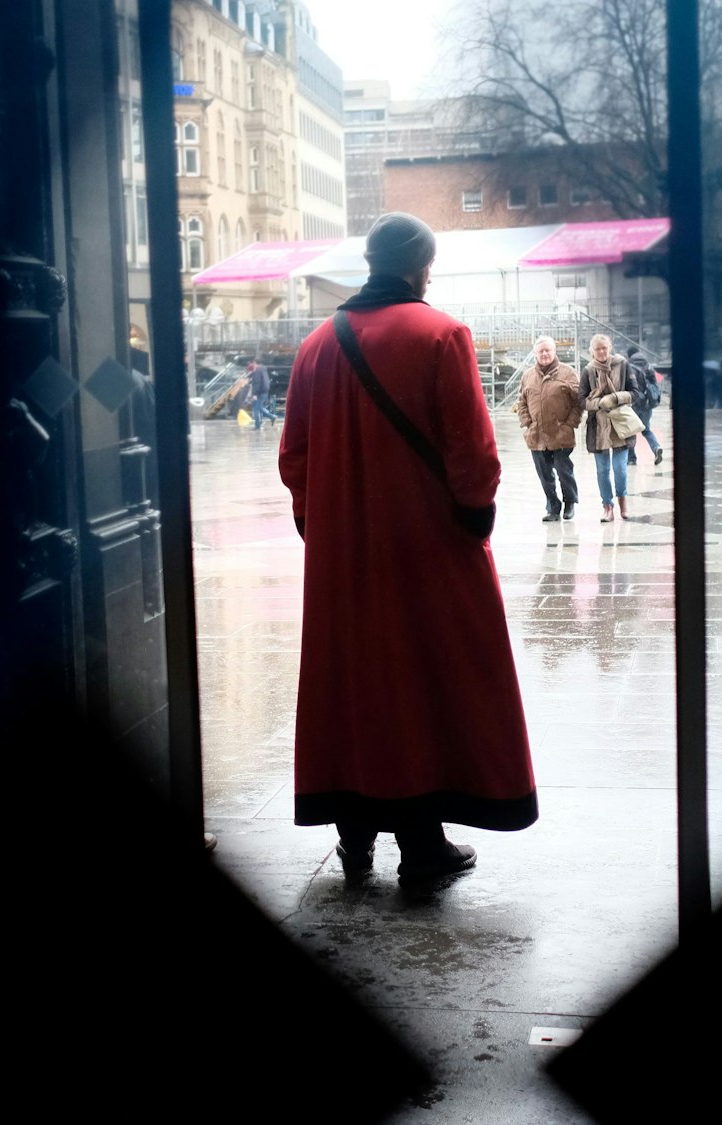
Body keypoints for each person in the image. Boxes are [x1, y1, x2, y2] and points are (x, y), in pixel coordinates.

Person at [278, 212, 537, 883]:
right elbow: (473, 451)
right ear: (422, 264)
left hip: (341, 553)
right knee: (427, 679)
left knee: (351, 680)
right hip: (424, 546)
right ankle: (422, 845)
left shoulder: (314, 346)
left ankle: (354, 837)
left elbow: (294, 458)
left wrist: (322, 525)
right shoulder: (442, 334)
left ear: (369, 263)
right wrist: (473, 521)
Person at [515, 336, 583, 521]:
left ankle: (570, 502)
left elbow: (578, 402)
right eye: (541, 351)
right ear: (535, 353)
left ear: (554, 351)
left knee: (563, 471)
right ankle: (553, 507)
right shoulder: (528, 375)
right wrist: (527, 423)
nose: (544, 354)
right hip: (536, 435)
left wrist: (570, 424)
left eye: (548, 350)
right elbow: (521, 401)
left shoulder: (568, 373)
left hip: (561, 434)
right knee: (544, 475)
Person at [580, 334, 637, 522]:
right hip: (598, 427)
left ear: (609, 347)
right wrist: (599, 403)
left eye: (604, 347)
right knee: (602, 470)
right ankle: (607, 506)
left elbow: (635, 392)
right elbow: (581, 400)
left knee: (620, 468)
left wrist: (615, 398)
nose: (602, 351)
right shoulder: (588, 371)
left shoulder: (622, 364)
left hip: (620, 423)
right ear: (592, 351)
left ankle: (623, 502)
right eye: (598, 349)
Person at [623, 346, 664, 467]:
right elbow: (654, 383)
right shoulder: (649, 365)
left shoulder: (629, 366)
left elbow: (628, 385)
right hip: (647, 403)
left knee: (631, 431)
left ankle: (631, 459)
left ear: (629, 355)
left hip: (634, 402)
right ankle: (656, 448)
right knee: (646, 430)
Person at [246, 357, 278, 429]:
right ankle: (259, 424)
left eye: (253, 363)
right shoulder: (263, 369)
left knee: (257, 408)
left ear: (255, 363)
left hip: (259, 392)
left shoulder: (258, 371)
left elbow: (257, 383)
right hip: (264, 391)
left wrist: (255, 394)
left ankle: (270, 417)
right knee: (257, 407)